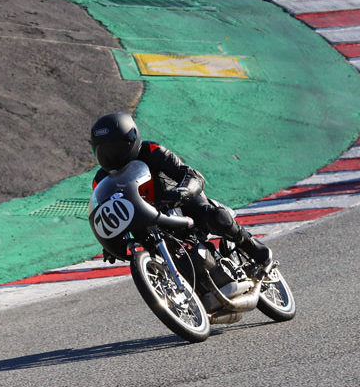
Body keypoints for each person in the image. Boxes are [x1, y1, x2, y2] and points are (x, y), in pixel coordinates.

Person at [88, 112, 273, 273]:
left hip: (177, 202)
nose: (112, 157)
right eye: (104, 152)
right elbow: (107, 212)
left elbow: (192, 174)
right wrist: (109, 240)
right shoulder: (101, 180)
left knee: (212, 216)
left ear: (132, 139)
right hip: (146, 222)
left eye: (116, 149)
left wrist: (183, 191)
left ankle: (249, 244)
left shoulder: (152, 151)